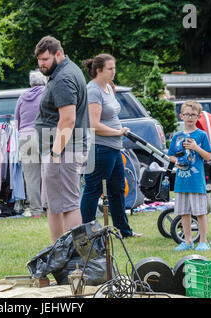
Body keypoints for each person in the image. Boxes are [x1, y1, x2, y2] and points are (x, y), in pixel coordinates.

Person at [80, 54, 142, 238]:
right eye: (110, 68)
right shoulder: (93, 91)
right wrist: (118, 132)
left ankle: (124, 231)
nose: (114, 72)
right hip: (100, 148)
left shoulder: (107, 88)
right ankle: (87, 233)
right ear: (98, 70)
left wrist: (118, 135)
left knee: (117, 190)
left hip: (114, 148)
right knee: (93, 190)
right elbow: (94, 124)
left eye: (114, 68)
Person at [34, 36, 89, 243]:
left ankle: (74, 259)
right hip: (62, 148)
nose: (42, 64)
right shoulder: (66, 71)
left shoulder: (63, 78)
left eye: (46, 59)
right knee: (56, 205)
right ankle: (58, 252)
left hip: (63, 150)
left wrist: (55, 153)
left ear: (58, 54)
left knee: (68, 205)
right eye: (39, 60)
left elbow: (67, 120)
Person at [168, 101, 211, 251]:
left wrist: (195, 147)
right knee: (184, 212)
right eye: (186, 114)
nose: (189, 117)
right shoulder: (177, 136)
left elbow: (208, 157)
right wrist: (177, 162)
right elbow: (171, 156)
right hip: (181, 182)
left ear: (198, 116)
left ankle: (203, 241)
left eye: (193, 115)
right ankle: (187, 241)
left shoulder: (201, 135)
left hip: (196, 182)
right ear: (181, 116)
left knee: (200, 212)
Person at [14, 70, 47, 218]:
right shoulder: (47, 93)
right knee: (49, 173)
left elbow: (17, 121)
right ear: (44, 82)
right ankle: (51, 208)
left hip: (25, 136)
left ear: (30, 83)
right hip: (44, 135)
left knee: (32, 177)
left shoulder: (22, 97)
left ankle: (36, 212)